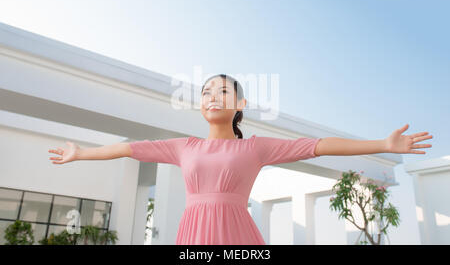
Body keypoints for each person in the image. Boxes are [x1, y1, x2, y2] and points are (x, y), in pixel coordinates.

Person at [48, 74, 433, 245]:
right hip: (194, 234)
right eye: (205, 92)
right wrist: (81, 153)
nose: (212, 96)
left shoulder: (256, 148)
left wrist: (382, 143)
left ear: (241, 105)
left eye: (222, 91)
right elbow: (130, 148)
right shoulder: (184, 147)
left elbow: (320, 145)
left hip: (239, 236)